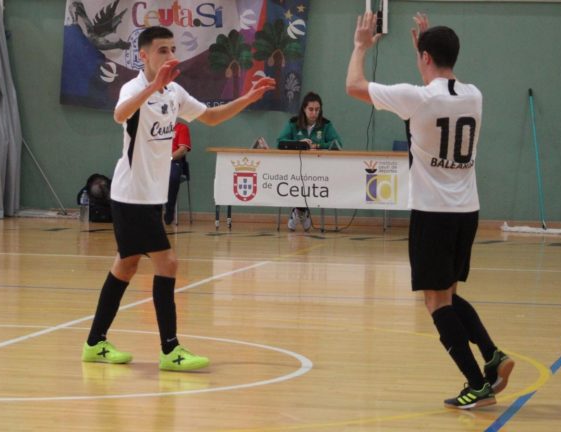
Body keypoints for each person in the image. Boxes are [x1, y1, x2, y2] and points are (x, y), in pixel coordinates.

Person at [345, 12, 514, 409]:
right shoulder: (474, 94)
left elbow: (353, 85)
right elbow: (439, 85)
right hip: (466, 211)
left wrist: (359, 47)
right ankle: (493, 356)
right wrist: (424, 52)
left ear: (424, 58)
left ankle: (476, 383)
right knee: (450, 295)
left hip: (433, 213)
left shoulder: (417, 98)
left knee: (435, 303)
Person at [82, 26, 275, 372]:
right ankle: (170, 350)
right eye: (161, 50)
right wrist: (153, 87)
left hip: (148, 196)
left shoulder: (173, 92)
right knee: (167, 262)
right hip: (132, 194)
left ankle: (95, 343)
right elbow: (120, 114)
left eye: (172, 49)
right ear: (143, 56)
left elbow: (212, 117)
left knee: (125, 266)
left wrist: (247, 98)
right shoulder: (135, 87)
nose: (170, 56)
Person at [276, 91, 342, 231]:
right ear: (304, 109)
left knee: (309, 182)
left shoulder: (326, 125)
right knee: (299, 181)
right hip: (294, 169)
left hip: (319, 170)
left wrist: (317, 146)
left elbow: (338, 144)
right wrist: (300, 143)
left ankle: (299, 211)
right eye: (311, 109)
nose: (314, 113)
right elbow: (280, 142)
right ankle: (302, 211)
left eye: (317, 110)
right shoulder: (293, 124)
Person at [164, 122, 191, 225]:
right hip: (155, 161)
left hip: (173, 161)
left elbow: (182, 150)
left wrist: (168, 158)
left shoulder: (181, 127)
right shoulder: (155, 127)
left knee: (173, 177)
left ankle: (169, 212)